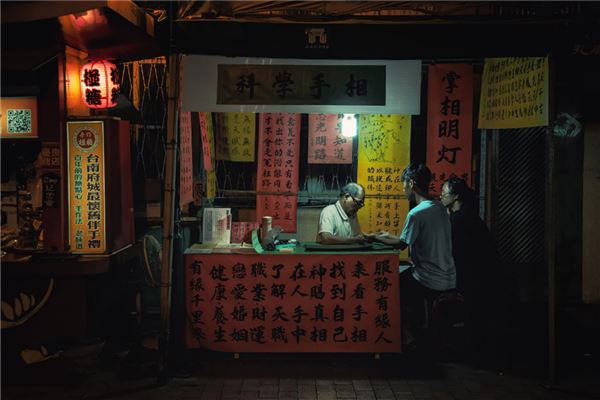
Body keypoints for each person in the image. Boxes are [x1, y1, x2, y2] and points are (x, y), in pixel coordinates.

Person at [368, 163, 456, 346]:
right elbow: (407, 238)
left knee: (389, 287)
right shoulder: (440, 208)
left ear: (411, 183)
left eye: (403, 183)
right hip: (449, 276)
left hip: (429, 278)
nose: (402, 188)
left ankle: (408, 337)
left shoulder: (416, 213)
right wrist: (387, 236)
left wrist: (375, 237)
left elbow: (401, 244)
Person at [440, 177, 516, 367]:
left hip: (475, 276)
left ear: (455, 196)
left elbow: (460, 253)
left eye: (444, 193)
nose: (441, 196)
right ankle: (477, 353)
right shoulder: (468, 217)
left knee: (473, 315)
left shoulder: (459, 220)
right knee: (476, 315)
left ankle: (473, 355)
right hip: (482, 275)